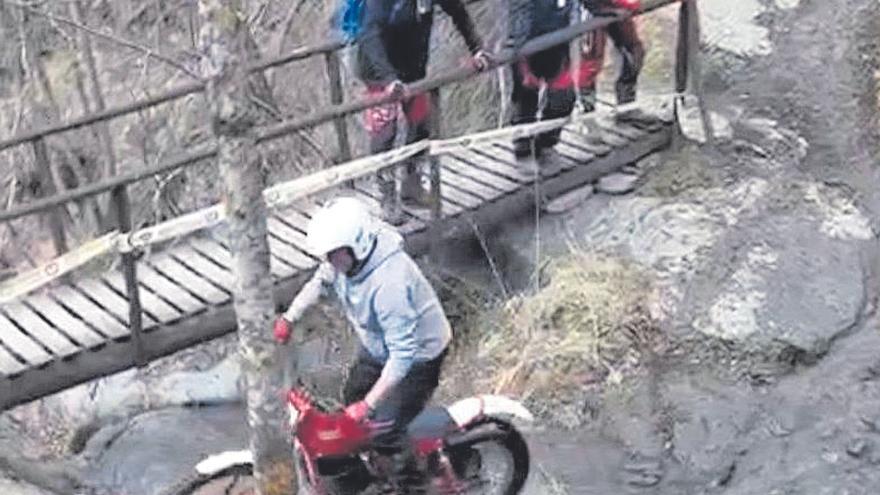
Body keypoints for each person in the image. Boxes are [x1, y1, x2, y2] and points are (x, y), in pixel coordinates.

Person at [273, 196, 451, 493]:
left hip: (418, 356)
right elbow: (319, 283)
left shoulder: (388, 284)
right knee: (350, 401)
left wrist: (370, 404)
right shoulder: (343, 261)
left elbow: (402, 357)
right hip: (379, 348)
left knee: (384, 429)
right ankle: (367, 473)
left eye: (333, 256)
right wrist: (289, 319)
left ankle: (416, 485)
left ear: (357, 246)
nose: (328, 263)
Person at [358, 0, 490, 225]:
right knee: (385, 133)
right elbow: (369, 36)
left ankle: (411, 184)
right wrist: (389, 78)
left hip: (414, 68)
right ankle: (387, 195)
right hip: (379, 73)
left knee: (421, 124)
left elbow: (458, 12)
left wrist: (476, 49)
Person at [506, 0, 579, 162]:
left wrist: (603, 9)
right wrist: (523, 67)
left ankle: (547, 143)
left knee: (564, 98)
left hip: (558, 45)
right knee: (526, 101)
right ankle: (523, 150)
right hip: (527, 48)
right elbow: (518, 22)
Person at [575, 0, 645, 112]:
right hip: (590, 8)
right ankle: (586, 108)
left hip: (616, 7)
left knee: (634, 51)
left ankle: (627, 105)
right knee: (589, 60)